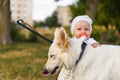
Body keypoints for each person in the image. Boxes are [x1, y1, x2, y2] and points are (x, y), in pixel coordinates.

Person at [57, 15, 100, 80]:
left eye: (86, 29)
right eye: (79, 29)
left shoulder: (91, 41)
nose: (83, 31)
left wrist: (96, 45)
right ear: (73, 32)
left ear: (90, 31)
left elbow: (98, 47)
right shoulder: (72, 41)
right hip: (70, 67)